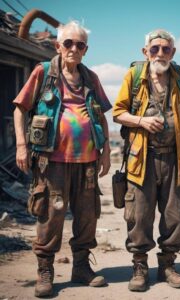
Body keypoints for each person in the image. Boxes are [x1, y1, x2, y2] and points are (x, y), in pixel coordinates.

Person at [13, 21, 111, 297]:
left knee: (87, 214)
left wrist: (104, 152)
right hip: (51, 162)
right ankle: (45, 271)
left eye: (80, 45)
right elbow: (20, 109)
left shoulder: (91, 78)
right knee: (51, 215)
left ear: (86, 49)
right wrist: (21, 145)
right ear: (58, 45)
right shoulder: (43, 73)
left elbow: (101, 115)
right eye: (68, 43)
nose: (73, 49)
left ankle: (81, 267)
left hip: (88, 162)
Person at [113, 29, 180, 292]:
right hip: (142, 159)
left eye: (166, 49)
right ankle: (140, 267)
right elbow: (118, 113)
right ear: (146, 52)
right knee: (139, 216)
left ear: (173, 52)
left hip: (177, 158)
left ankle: (167, 266)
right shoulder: (134, 76)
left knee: (176, 215)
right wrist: (141, 120)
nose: (160, 53)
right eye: (155, 49)